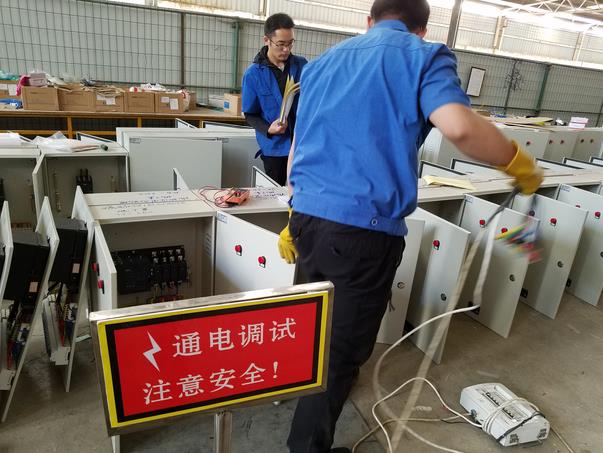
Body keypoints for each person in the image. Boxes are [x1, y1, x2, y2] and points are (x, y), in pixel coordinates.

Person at [277, 1, 544, 452]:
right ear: (421, 29)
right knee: (340, 352)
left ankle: (310, 411)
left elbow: (297, 146)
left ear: (369, 21)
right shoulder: (424, 55)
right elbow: (459, 126)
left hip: (306, 222)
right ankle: (306, 447)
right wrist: (517, 161)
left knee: (314, 331)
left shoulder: (321, 64)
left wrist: (292, 212)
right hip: (362, 234)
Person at [242, 13, 308, 186]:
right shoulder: (253, 74)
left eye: (290, 43)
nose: (286, 49)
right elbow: (250, 114)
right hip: (275, 148)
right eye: (281, 44)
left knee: (301, 191)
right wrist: (268, 129)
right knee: (276, 192)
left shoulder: (302, 65)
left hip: (301, 144)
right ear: (267, 40)